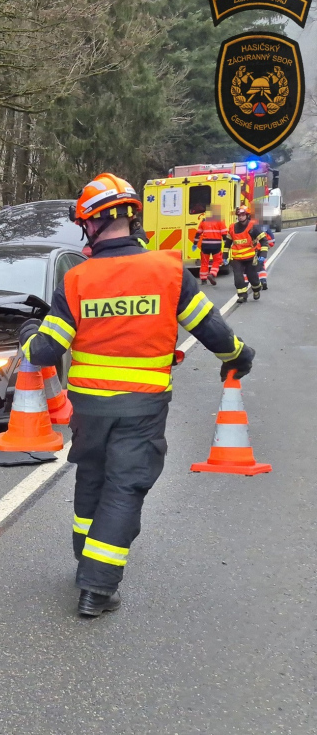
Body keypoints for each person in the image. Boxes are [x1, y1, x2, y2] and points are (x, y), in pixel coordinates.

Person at [19, 173, 254, 618]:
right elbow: (211, 330)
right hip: (142, 406)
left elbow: (45, 351)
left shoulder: (77, 279)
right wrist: (239, 356)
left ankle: (86, 563)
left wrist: (29, 333)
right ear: (131, 217)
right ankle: (97, 587)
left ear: (92, 223)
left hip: (88, 408)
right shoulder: (168, 270)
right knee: (125, 486)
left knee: (92, 478)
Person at [227, 205, 263, 303]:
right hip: (236, 258)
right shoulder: (232, 227)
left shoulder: (253, 227)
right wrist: (224, 256)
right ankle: (242, 295)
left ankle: (256, 289)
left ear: (247, 215)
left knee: (252, 276)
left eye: (242, 215)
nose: (240, 217)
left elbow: (264, 241)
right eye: (239, 215)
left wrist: (263, 254)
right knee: (238, 277)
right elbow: (227, 243)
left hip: (250, 257)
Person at [193, 205, 226, 286]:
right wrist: (227, 245)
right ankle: (212, 274)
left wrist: (195, 244)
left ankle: (203, 279)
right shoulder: (220, 222)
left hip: (205, 245)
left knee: (204, 262)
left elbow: (198, 234)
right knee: (217, 261)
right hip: (216, 245)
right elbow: (224, 235)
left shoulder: (204, 221)